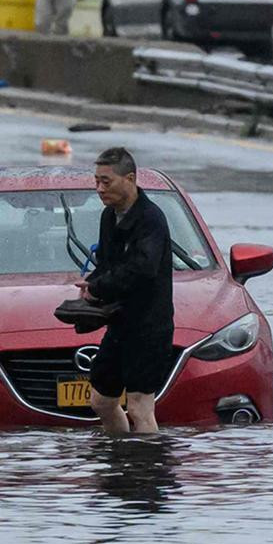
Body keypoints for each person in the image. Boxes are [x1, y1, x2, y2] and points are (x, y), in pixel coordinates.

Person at [78, 145, 178, 437]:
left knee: (139, 407)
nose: (98, 188)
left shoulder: (151, 219)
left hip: (150, 328)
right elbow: (108, 265)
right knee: (101, 401)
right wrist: (90, 286)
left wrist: (99, 287)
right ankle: (120, 459)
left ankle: (146, 471)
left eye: (105, 181)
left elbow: (141, 270)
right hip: (120, 325)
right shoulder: (109, 216)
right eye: (96, 181)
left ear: (130, 179)